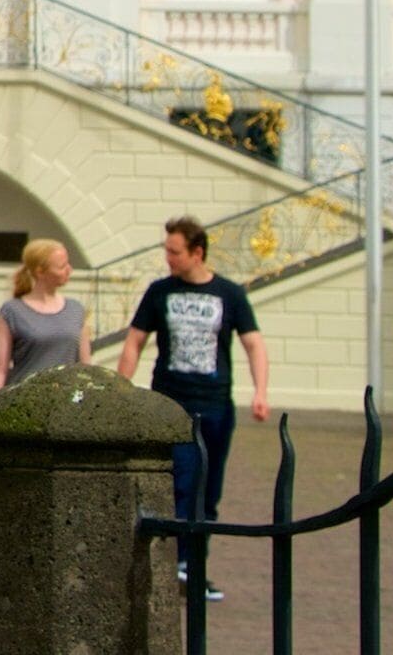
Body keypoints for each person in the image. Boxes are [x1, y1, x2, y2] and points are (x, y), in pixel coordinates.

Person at [118, 216, 270, 601]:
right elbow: (135, 341)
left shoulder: (230, 294)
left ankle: (193, 565)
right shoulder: (159, 292)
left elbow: (254, 343)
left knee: (208, 489)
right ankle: (177, 565)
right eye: (166, 250)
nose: (167, 258)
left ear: (197, 252)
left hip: (215, 406)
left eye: (174, 251)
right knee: (181, 482)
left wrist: (261, 391)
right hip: (170, 404)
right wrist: (121, 389)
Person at [0, 239, 87, 396]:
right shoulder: (12, 311)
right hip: (24, 401)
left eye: (68, 264)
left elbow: (85, 365)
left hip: (67, 404)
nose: (69, 270)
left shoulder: (76, 310)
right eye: (61, 267)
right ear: (40, 272)